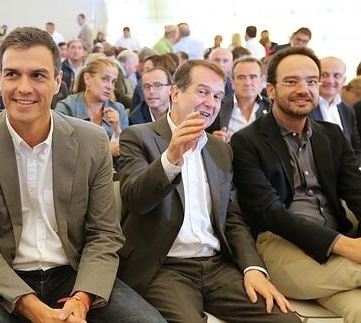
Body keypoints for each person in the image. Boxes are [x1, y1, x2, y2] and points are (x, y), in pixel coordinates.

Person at [0, 26, 165, 323]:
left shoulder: (91, 141)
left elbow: (104, 235)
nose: (23, 87)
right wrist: (33, 308)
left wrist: (82, 298)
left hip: (73, 273)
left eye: (37, 75)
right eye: (12, 74)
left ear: (58, 80)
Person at [118, 59, 300, 322]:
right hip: (164, 267)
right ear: (176, 93)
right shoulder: (138, 136)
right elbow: (135, 199)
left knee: (286, 319)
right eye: (202, 92)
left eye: (217, 96)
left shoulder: (220, 149)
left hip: (216, 266)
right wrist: (171, 157)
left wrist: (253, 268)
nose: (211, 103)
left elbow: (232, 218)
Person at [230, 46, 361, 323]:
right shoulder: (247, 142)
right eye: (291, 81)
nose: (304, 88)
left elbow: (356, 192)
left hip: (336, 242)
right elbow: (269, 213)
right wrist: (345, 246)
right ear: (271, 90)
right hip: (280, 246)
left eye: (312, 81)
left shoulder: (332, 134)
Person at [55, 57, 128, 169]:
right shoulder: (66, 108)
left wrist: (117, 130)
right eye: (105, 79)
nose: (109, 86)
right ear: (87, 78)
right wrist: (105, 151)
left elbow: (127, 157)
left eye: (113, 82)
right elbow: (61, 151)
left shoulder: (119, 109)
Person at [308, 56, 361, 164]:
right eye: (324, 75)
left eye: (337, 76)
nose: (330, 80)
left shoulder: (347, 111)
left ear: (344, 80)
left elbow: (356, 149)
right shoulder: (305, 107)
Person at [207, 56, 271, 141]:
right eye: (241, 77)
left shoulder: (272, 107)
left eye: (253, 77)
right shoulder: (217, 106)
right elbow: (202, 136)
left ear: (261, 80)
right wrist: (212, 140)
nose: (247, 83)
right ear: (232, 82)